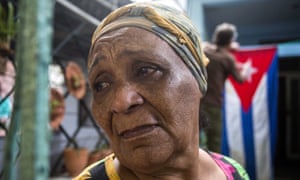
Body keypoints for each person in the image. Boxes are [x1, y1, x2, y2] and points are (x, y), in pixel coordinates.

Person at [75, 2, 249, 180]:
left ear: (198, 76)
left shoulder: (234, 172)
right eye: (101, 85)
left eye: (146, 71)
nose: (121, 102)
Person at [201, 23, 246, 153]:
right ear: (230, 40)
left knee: (195, 138)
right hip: (213, 104)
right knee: (213, 142)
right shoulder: (227, 58)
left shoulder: (204, 49)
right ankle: (213, 170)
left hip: (196, 101)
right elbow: (240, 79)